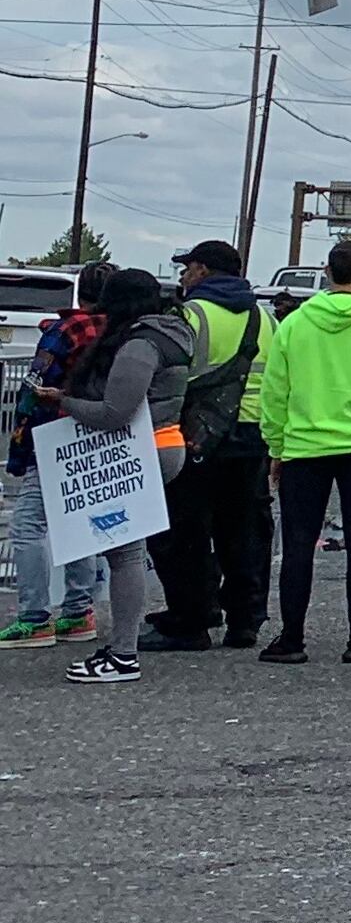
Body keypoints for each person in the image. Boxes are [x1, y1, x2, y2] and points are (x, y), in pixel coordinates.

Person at [251, 239, 351, 663]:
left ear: (326, 272)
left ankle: (292, 637)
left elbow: (275, 392)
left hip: (305, 445)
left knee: (299, 544)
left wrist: (276, 446)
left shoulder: (295, 325)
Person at [47, 267, 194, 685]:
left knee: (124, 553)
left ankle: (124, 654)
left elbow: (115, 413)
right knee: (126, 550)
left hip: (142, 451)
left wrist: (65, 403)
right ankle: (121, 649)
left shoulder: (139, 344)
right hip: (164, 444)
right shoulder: (172, 334)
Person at [144, 238, 272, 651]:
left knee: (188, 530)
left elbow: (172, 373)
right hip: (253, 435)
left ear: (203, 271)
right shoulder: (264, 317)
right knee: (243, 531)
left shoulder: (191, 314)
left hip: (200, 435)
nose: (183, 274)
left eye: (188, 267)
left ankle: (191, 619)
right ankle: (244, 622)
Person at [2, 262, 109, 649]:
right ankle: (79, 612)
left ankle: (34, 617)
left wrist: (20, 448)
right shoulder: (120, 331)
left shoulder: (67, 330)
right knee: (78, 523)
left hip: (53, 434)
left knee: (28, 525)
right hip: (97, 433)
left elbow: (36, 390)